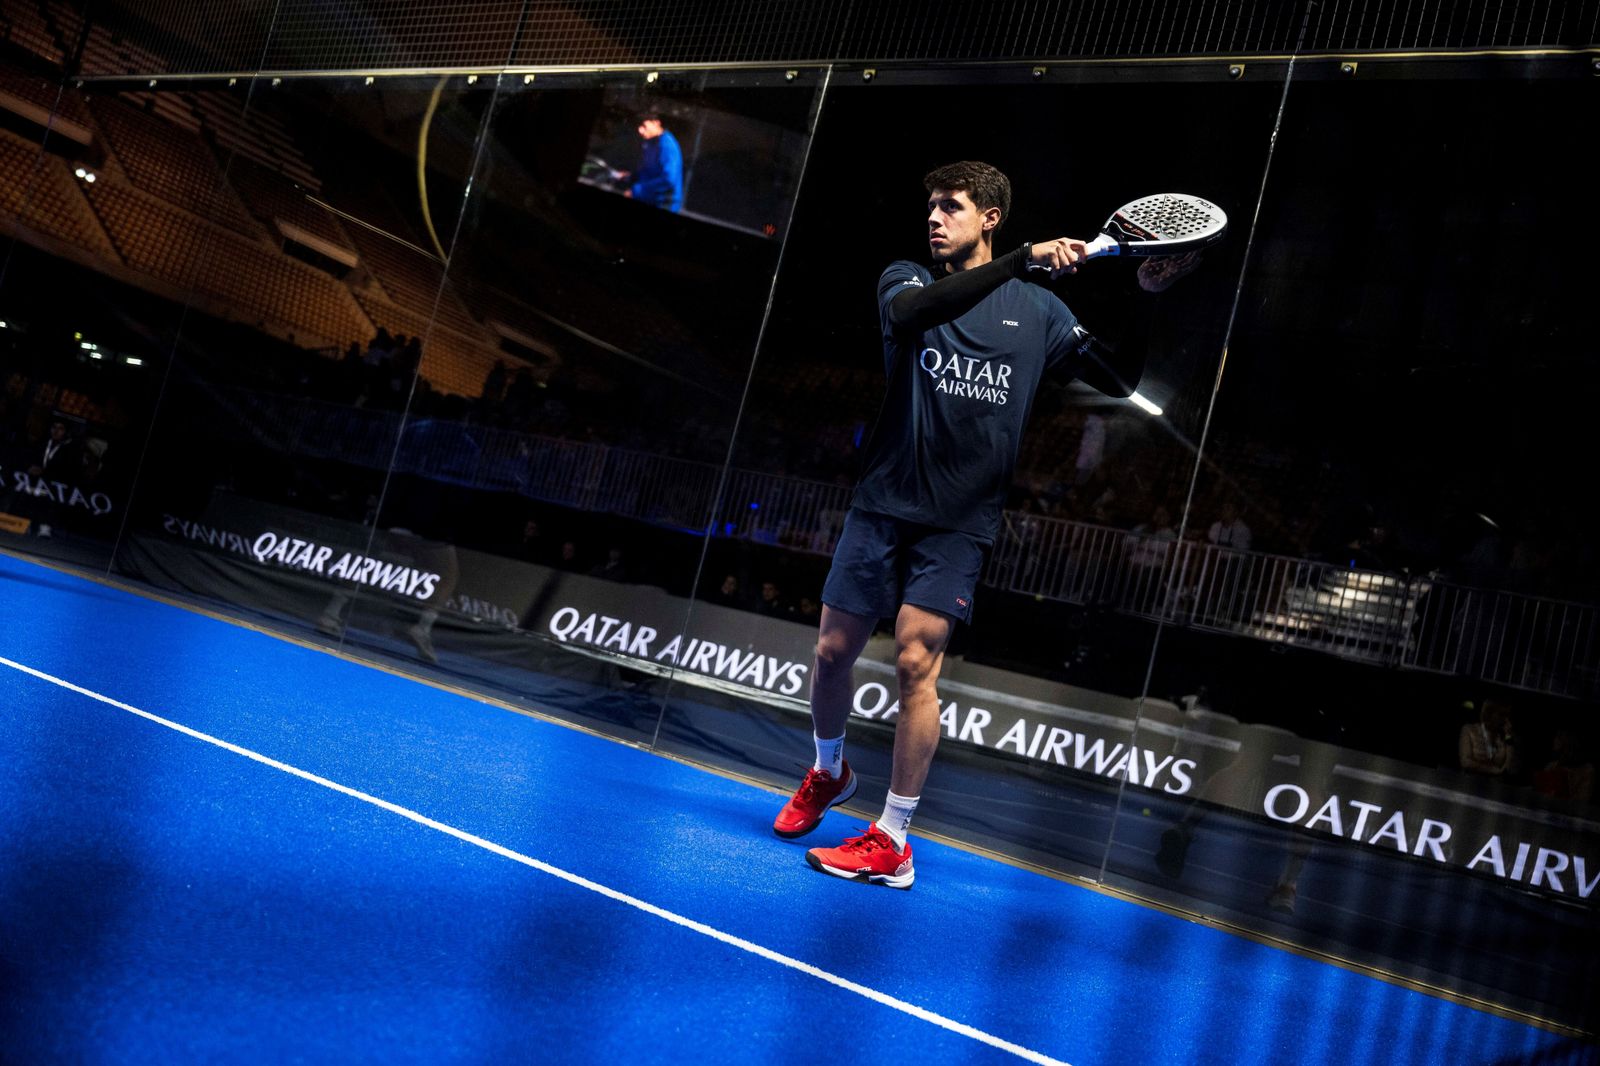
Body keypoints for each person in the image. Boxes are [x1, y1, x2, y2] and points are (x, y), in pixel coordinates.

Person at [772, 160, 1161, 888]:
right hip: (882, 503)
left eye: (951, 207)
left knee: (917, 663)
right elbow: (909, 319)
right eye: (931, 207)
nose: (934, 218)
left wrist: (1142, 299)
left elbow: (1118, 381)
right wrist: (1025, 259)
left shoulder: (1039, 312)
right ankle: (828, 771)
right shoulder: (905, 280)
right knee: (832, 650)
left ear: (989, 217)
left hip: (959, 523)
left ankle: (891, 839)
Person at [622, 112, 683, 213]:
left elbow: (669, 179)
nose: (640, 130)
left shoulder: (667, 145)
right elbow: (648, 171)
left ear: (656, 123)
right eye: (639, 126)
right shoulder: (649, 143)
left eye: (644, 126)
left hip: (664, 204)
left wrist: (636, 190)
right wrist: (631, 176)